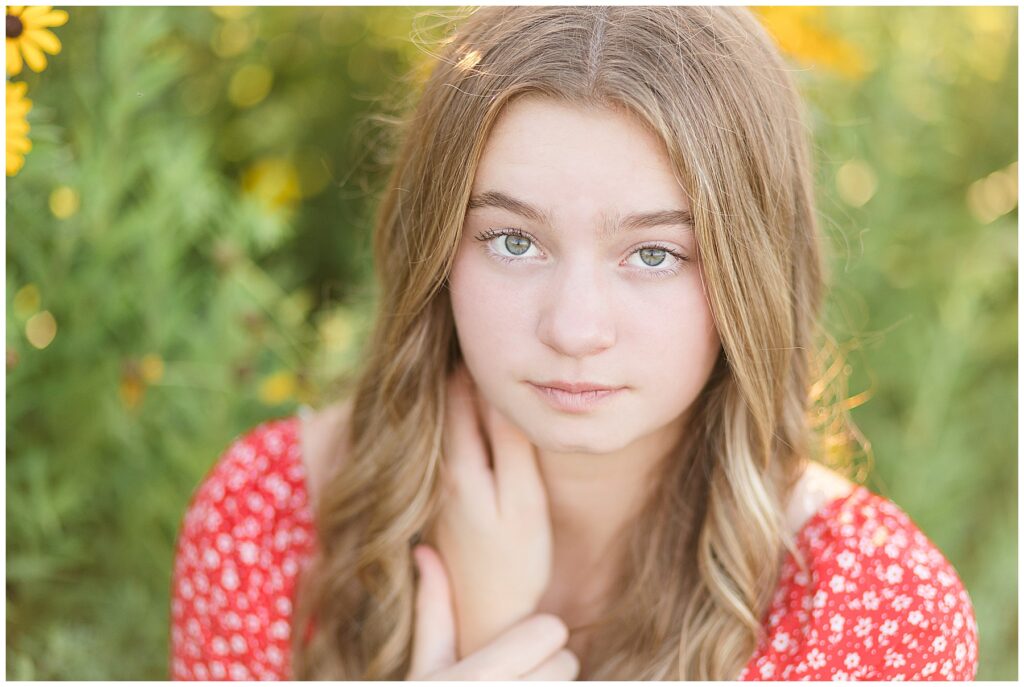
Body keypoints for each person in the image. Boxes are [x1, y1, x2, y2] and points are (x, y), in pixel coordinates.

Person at [169, 6, 979, 681]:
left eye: (654, 254)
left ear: (752, 274)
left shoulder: (873, 608)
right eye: (514, 240)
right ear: (437, 247)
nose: (574, 329)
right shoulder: (270, 518)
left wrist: (498, 643)